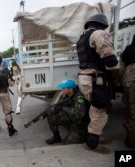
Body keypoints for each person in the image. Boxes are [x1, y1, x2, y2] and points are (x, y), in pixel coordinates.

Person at [76, 13, 119, 154]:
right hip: (95, 80)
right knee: (100, 110)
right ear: (101, 25)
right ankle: (92, 144)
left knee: (94, 108)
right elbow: (110, 59)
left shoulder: (82, 38)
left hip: (85, 78)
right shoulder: (99, 34)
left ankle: (94, 138)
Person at [44, 80, 89, 145]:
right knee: (51, 116)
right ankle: (56, 137)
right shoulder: (66, 95)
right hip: (71, 118)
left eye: (64, 88)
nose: (62, 89)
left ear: (70, 89)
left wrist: (63, 108)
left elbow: (80, 113)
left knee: (68, 142)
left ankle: (81, 134)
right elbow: (59, 104)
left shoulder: (79, 97)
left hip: (79, 123)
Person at [0, 55, 18, 136]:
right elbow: (11, 84)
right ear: (1, 62)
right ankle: (10, 129)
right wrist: (13, 79)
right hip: (5, 93)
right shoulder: (6, 71)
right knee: (7, 112)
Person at [119, 34, 135, 148]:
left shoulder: (128, 50)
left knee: (131, 111)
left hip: (130, 80)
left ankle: (131, 141)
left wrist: (118, 81)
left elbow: (121, 68)